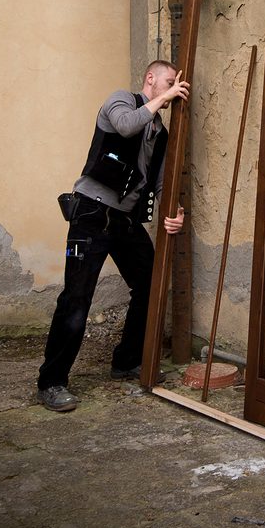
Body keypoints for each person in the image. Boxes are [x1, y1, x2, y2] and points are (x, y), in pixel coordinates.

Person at [37, 60, 190, 412]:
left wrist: (175, 212)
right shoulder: (122, 101)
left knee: (151, 284)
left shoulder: (160, 132)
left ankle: (125, 362)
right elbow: (124, 127)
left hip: (124, 220)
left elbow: (163, 181)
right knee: (77, 300)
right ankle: (52, 382)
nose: (172, 92)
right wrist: (162, 97)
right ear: (151, 79)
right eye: (169, 83)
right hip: (91, 213)